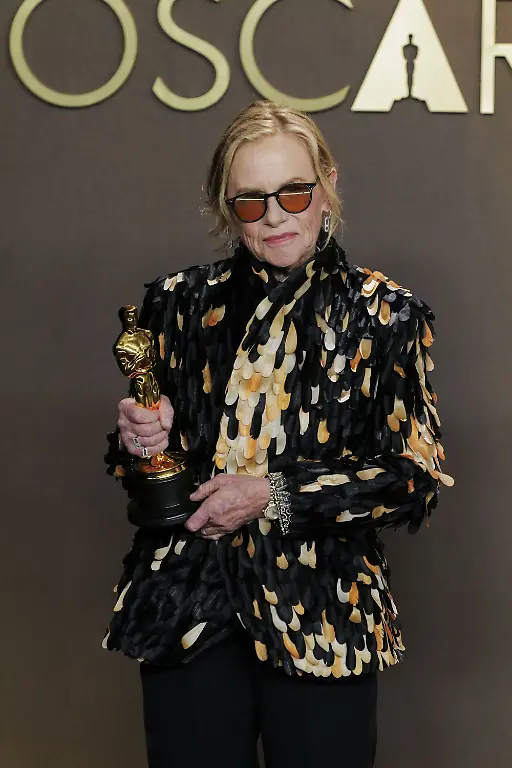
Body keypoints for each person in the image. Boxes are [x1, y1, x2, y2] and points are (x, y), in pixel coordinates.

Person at [103, 100, 454, 768]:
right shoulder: (176, 303)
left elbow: (415, 478)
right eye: (251, 201)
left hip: (325, 617)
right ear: (223, 206)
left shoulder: (384, 315)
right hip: (189, 611)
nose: (277, 216)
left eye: (295, 192)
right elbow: (140, 474)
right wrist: (142, 442)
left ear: (327, 185)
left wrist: (274, 494)